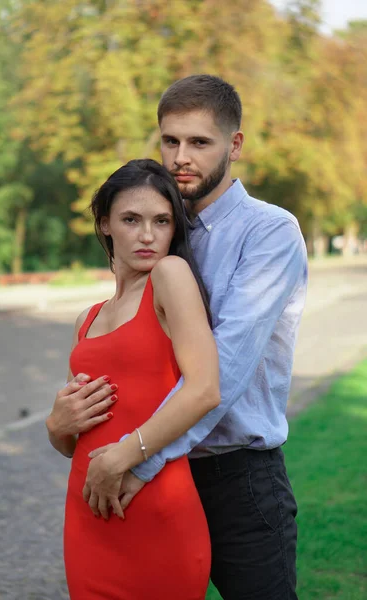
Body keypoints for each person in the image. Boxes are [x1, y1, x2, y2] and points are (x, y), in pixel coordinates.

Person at [49, 74, 308, 599]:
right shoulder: (158, 227)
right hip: (156, 478)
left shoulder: (269, 231)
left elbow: (225, 369)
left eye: (199, 142)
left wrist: (137, 458)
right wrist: (62, 426)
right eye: (170, 141)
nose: (180, 157)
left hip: (236, 478)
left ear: (234, 145)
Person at [46, 158, 220, 599]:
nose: (147, 235)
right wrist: (55, 426)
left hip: (157, 510)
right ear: (105, 224)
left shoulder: (169, 276)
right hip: (88, 518)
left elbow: (205, 389)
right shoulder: (86, 319)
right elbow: (70, 444)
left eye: (161, 221)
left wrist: (126, 455)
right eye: (130, 219)